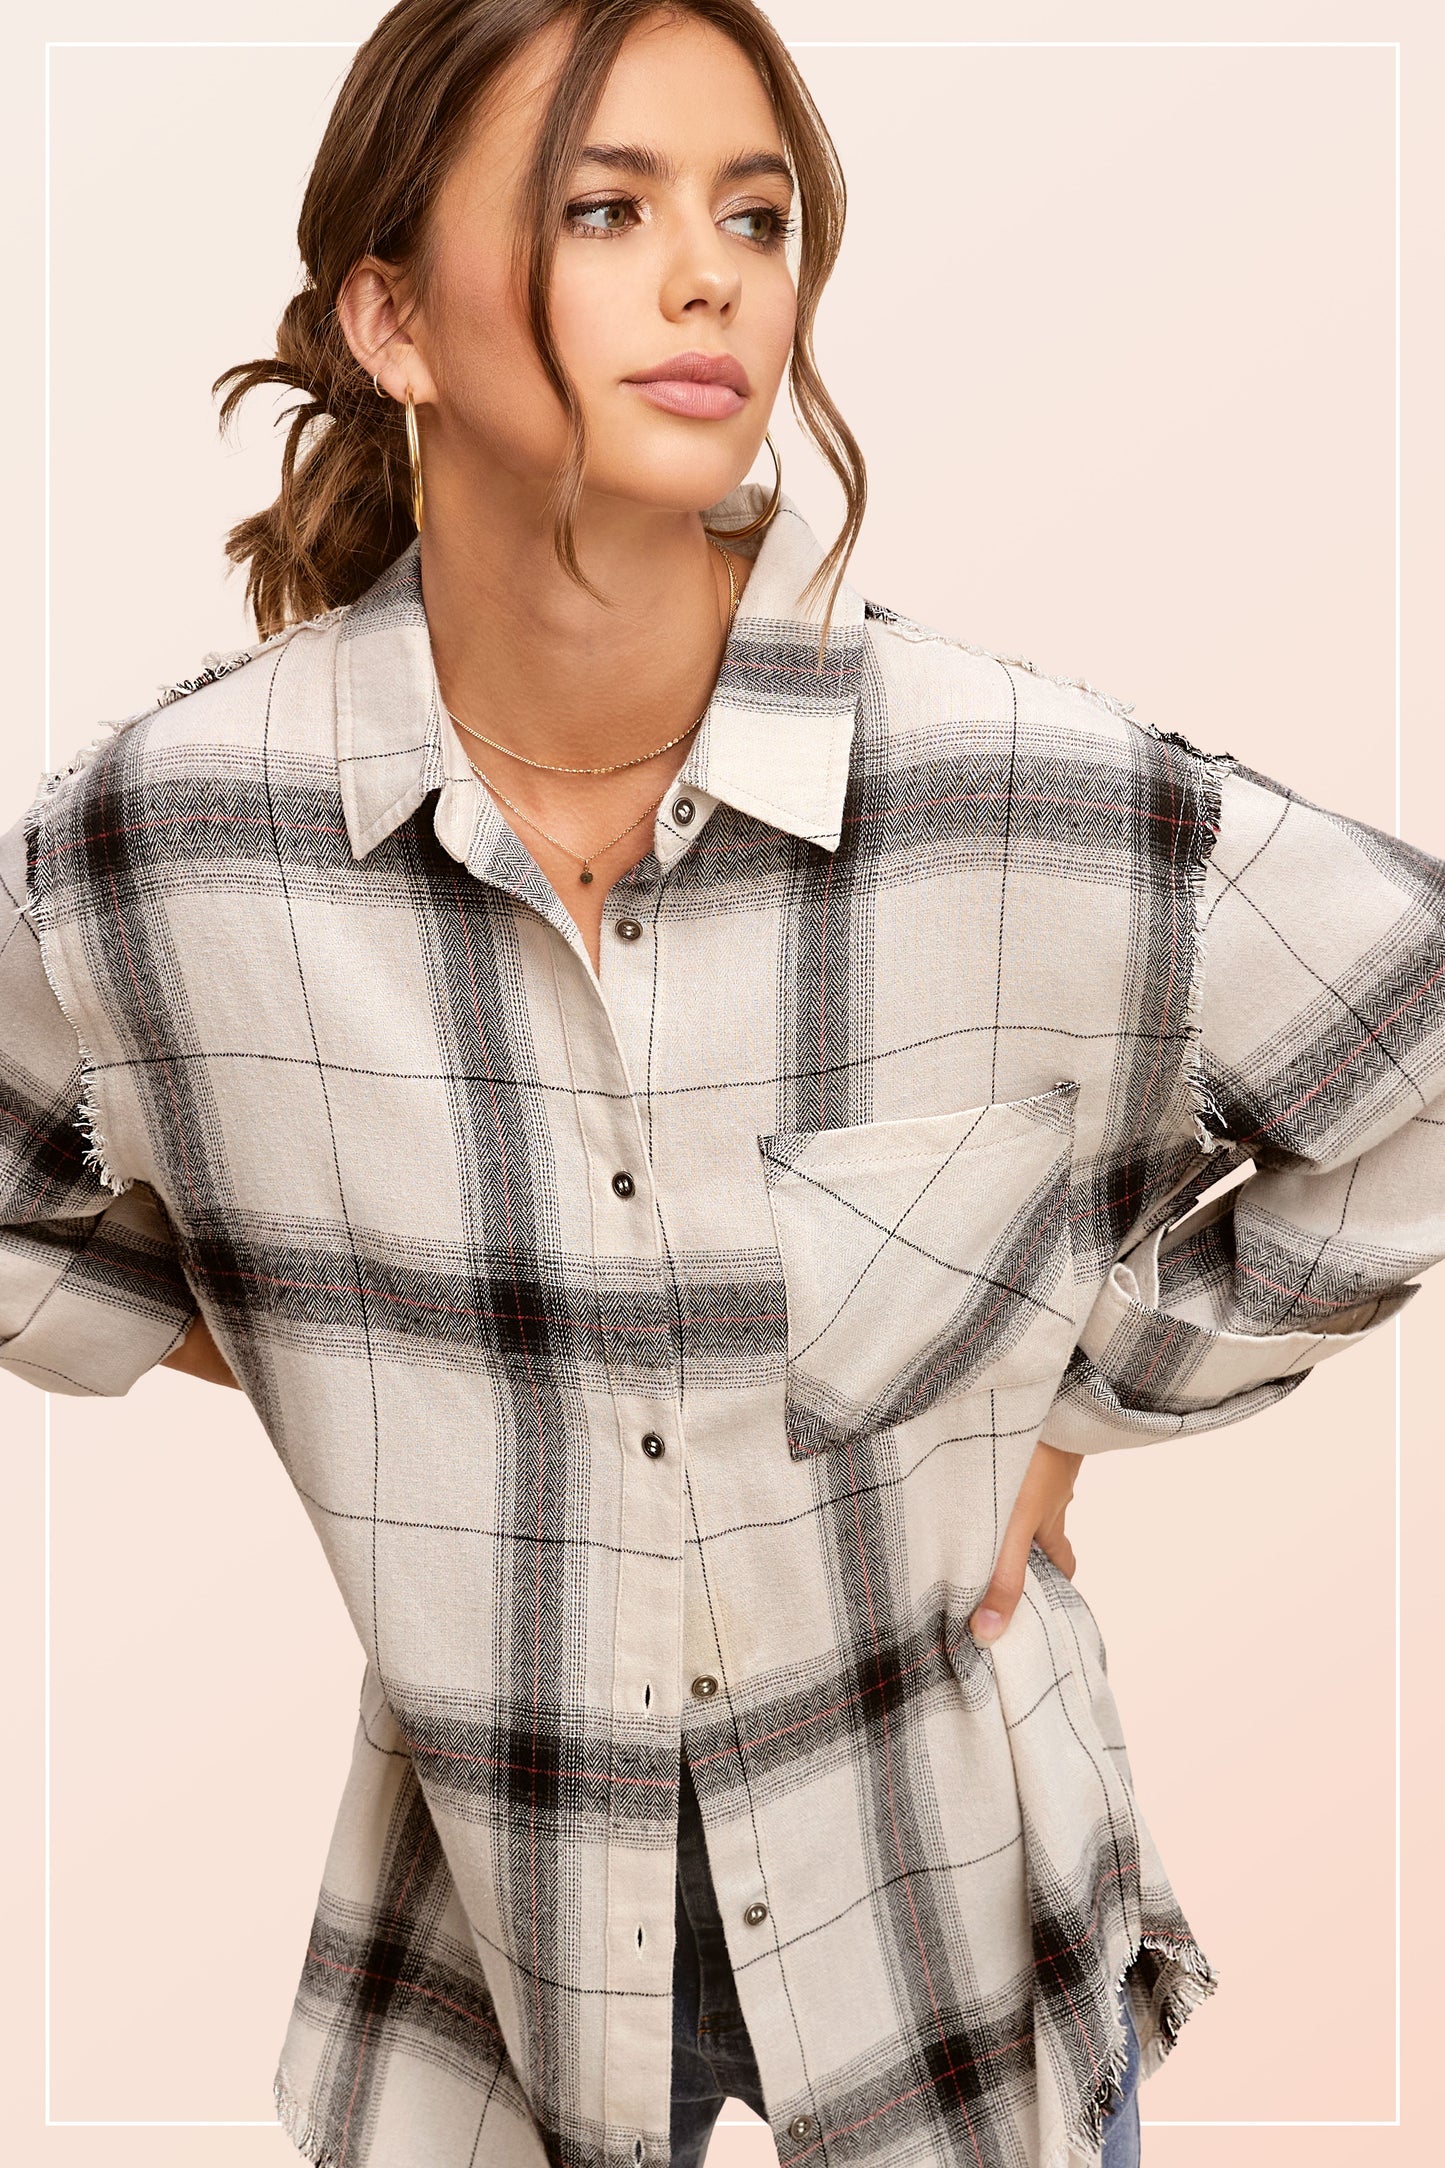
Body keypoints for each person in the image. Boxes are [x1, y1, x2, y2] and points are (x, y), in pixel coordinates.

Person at [3, 3, 1440, 2164]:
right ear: (391, 320)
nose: (709, 280)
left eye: (753, 218)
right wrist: (338, 1329)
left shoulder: (1011, 795)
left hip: (955, 1950)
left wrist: (1087, 1393)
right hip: (486, 1979)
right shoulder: (172, 844)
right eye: (607, 210)